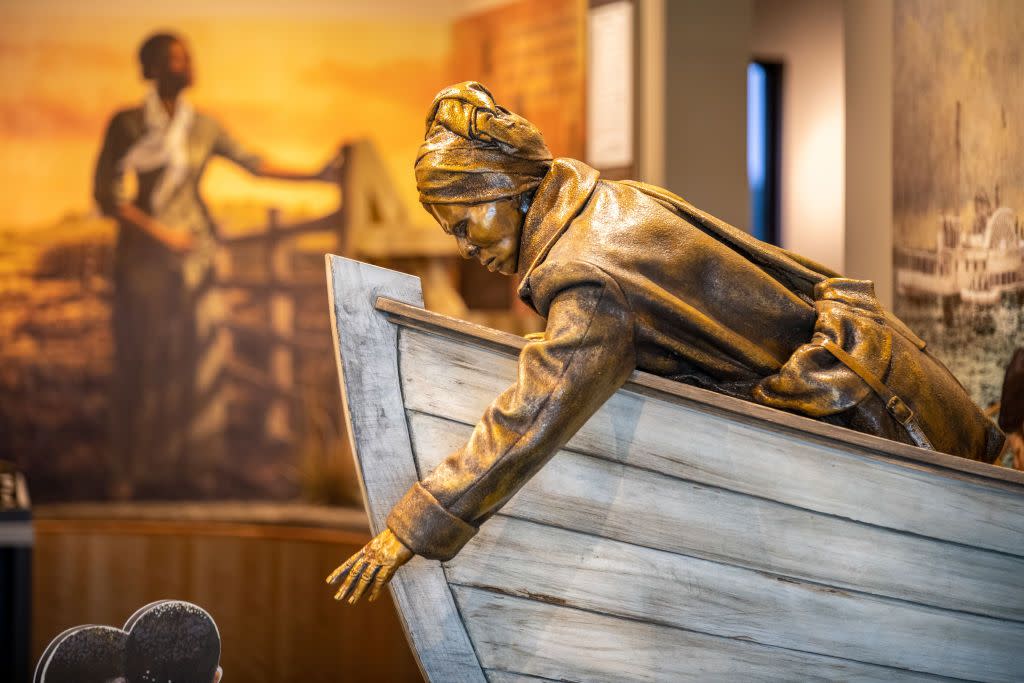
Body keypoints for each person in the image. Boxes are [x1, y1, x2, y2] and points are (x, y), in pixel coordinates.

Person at [327, 81, 1004, 604]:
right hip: (881, 367)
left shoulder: (586, 279)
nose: (464, 244)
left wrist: (412, 526)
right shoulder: (610, 203)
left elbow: (532, 414)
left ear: (504, 186)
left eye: (463, 219)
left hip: (874, 418)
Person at [94, 32, 341, 498]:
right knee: (143, 360)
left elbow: (254, 164)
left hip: (194, 260)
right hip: (144, 264)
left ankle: (192, 471)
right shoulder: (126, 126)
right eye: (172, 60)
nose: (184, 66)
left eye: (186, 58)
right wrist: (164, 237)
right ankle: (131, 474)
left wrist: (315, 174)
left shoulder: (202, 127)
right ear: (150, 70)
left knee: (197, 357)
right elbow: (108, 198)